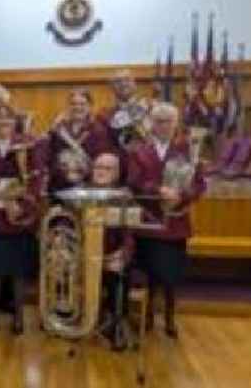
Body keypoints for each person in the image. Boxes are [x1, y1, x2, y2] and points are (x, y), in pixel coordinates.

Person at [127, 103, 206, 338]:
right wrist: (158, 190)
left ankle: (170, 318)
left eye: (168, 121)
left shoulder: (189, 150)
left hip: (175, 222)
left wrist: (181, 195)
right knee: (149, 272)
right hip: (149, 220)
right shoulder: (138, 151)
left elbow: (200, 184)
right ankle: (149, 315)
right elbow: (133, 181)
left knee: (171, 275)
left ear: (176, 123)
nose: (163, 125)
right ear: (150, 123)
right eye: (158, 120)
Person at [0, 104, 44, 334]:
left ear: (15, 122)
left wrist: (21, 199)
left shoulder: (29, 143)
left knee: (18, 270)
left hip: (20, 216)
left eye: (9, 120)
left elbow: (37, 176)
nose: (4, 124)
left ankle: (19, 317)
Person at [89, 152, 135, 351]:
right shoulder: (81, 193)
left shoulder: (124, 196)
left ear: (117, 173)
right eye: (98, 167)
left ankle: (115, 326)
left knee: (119, 278)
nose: (101, 172)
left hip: (112, 255)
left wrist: (122, 255)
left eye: (107, 168)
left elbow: (130, 234)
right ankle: (83, 322)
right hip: (85, 256)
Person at [48, 88, 115, 193]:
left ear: (90, 106)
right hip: (61, 186)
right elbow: (51, 156)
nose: (77, 107)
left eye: (82, 104)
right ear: (68, 106)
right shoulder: (58, 129)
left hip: (89, 186)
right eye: (73, 104)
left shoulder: (99, 130)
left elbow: (102, 161)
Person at [97, 70, 153, 151]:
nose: (123, 84)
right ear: (111, 87)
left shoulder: (152, 107)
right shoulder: (104, 115)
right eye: (118, 81)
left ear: (135, 84)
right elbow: (105, 145)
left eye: (127, 80)